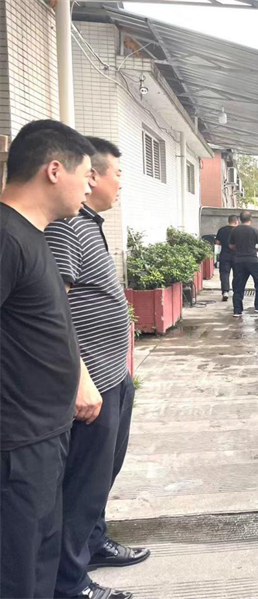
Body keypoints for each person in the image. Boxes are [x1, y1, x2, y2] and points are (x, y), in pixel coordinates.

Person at [45, 137, 149, 599]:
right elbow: (54, 309)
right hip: (90, 382)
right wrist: (80, 377)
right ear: (91, 176)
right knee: (81, 484)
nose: (119, 184)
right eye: (117, 175)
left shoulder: (89, 224)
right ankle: (69, 583)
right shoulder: (68, 227)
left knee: (102, 475)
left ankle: (93, 542)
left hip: (111, 374)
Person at [0, 120, 94, 599]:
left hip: (44, 436)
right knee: (16, 575)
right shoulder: (6, 237)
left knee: (39, 565)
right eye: (85, 175)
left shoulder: (34, 235)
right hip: (16, 446)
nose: (89, 187)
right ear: (54, 170)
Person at [229, 210, 258, 316]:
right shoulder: (255, 231)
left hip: (239, 261)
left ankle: (237, 310)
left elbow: (231, 246)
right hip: (252, 261)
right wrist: (255, 250)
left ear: (240, 219)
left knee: (238, 285)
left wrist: (239, 248)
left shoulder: (234, 231)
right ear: (250, 219)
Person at [215, 214, 239, 301]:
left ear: (229, 221)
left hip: (224, 255)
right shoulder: (238, 231)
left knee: (224, 274)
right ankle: (236, 291)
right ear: (236, 221)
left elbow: (217, 242)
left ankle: (225, 292)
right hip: (237, 256)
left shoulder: (222, 230)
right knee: (237, 274)